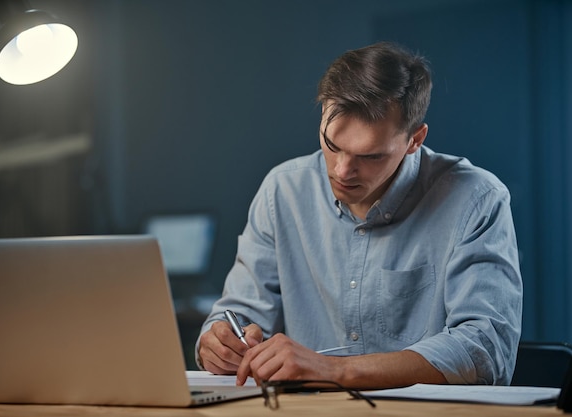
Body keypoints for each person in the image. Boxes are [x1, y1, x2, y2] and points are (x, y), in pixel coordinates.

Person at [195, 41, 523, 389]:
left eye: (370, 156)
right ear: (322, 113)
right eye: (332, 144)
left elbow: (485, 351)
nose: (342, 170)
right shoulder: (282, 191)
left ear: (415, 139)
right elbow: (237, 316)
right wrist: (217, 344)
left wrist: (336, 371)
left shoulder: (476, 199)